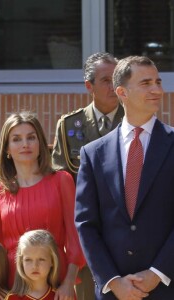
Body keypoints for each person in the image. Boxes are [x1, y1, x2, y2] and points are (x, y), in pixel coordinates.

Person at [75, 56, 174, 299]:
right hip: (113, 292)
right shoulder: (93, 153)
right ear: (122, 92)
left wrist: (156, 273)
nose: (157, 90)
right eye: (146, 83)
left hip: (166, 287)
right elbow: (86, 224)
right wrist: (112, 281)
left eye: (158, 82)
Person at [0, 111, 85, 300]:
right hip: (12, 287)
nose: (25, 144)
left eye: (31, 137)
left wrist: (68, 282)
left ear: (40, 143)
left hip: (57, 284)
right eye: (16, 139)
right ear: (7, 148)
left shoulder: (61, 181)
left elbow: (76, 237)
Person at [52, 52, 124, 300]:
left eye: (117, 78)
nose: (113, 86)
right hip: (86, 237)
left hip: (126, 235)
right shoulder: (70, 126)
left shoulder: (136, 121)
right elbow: (60, 183)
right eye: (106, 80)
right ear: (89, 86)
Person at [6, 229, 60, 300]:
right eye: (28, 260)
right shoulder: (12, 298)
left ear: (52, 261)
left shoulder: (60, 296)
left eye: (41, 259)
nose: (34, 266)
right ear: (21, 262)